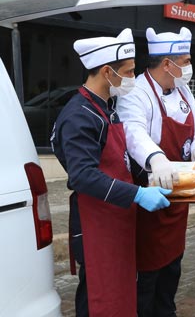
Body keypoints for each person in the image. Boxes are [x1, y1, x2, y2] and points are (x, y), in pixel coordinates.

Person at [51, 28, 171, 316]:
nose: (132, 79)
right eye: (129, 73)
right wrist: (138, 194)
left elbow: (120, 158)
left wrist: (154, 176)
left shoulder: (106, 107)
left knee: (120, 293)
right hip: (96, 225)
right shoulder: (79, 115)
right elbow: (82, 176)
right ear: (107, 71)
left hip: (118, 218)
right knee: (97, 300)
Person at [116, 27, 195, 316]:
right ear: (167, 64)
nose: (189, 67)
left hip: (178, 197)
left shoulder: (182, 89)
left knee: (172, 269)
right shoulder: (137, 93)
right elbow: (132, 131)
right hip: (150, 196)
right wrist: (156, 158)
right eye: (186, 61)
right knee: (147, 276)